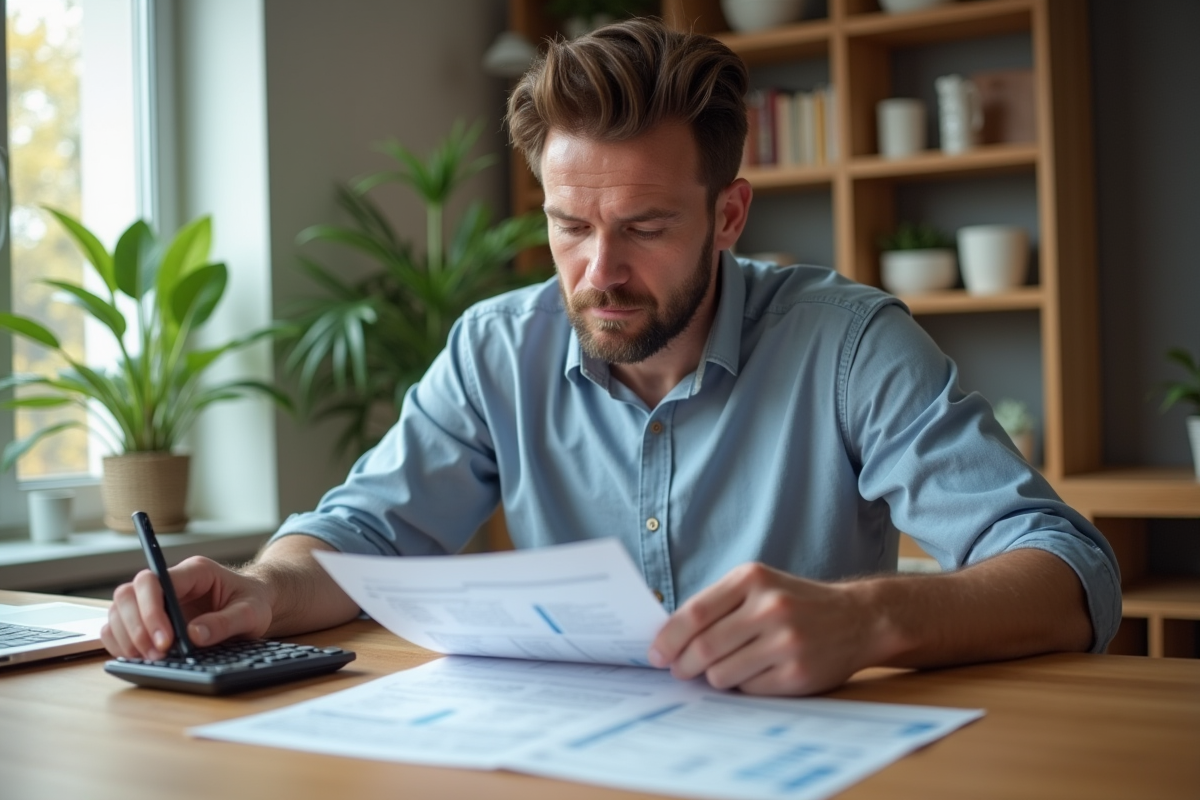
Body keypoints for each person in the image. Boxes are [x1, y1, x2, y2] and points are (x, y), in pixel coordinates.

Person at [103, 18, 1120, 696]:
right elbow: (367, 528)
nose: (598, 271)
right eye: (568, 225)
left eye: (643, 226)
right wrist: (265, 589)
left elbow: (1071, 570)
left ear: (728, 214)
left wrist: (871, 618)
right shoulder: (498, 346)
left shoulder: (847, 344)